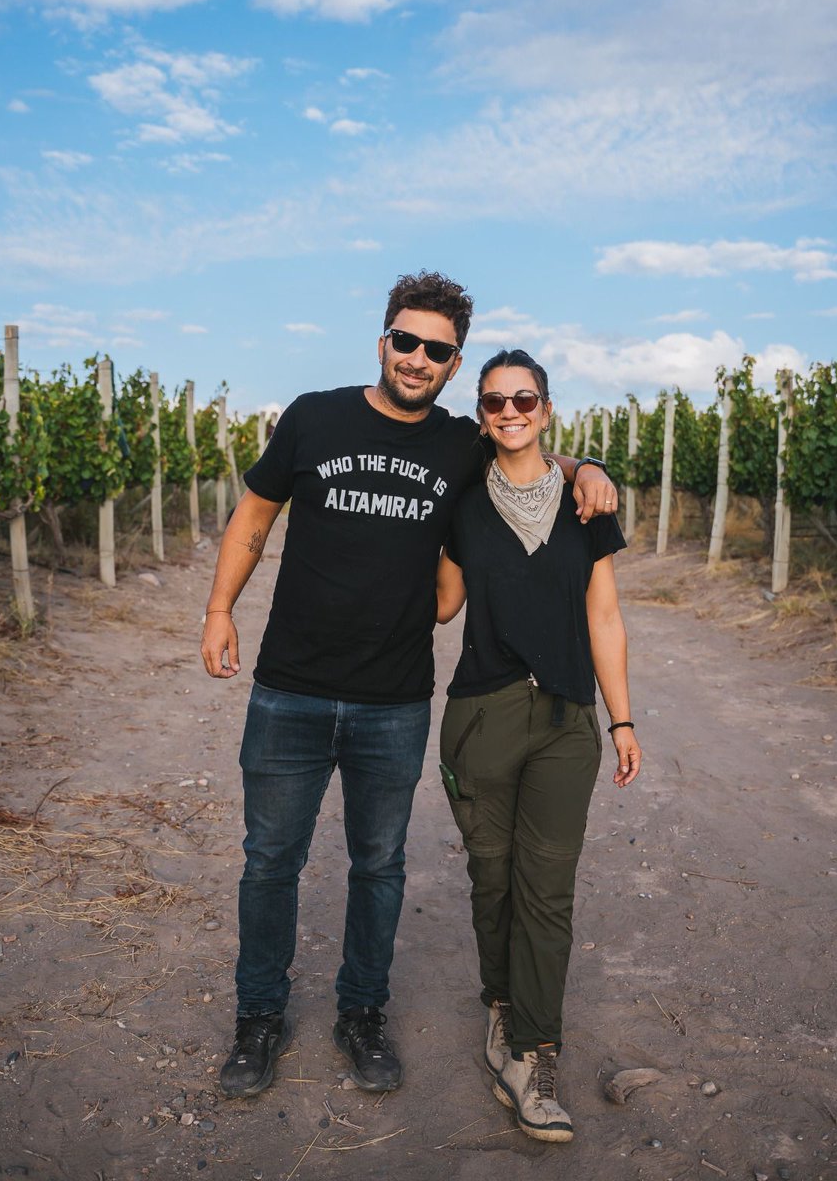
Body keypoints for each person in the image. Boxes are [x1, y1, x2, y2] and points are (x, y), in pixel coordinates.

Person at [199, 272, 618, 1099]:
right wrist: (219, 611)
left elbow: (525, 444)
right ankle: (258, 1018)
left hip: (394, 697)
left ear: (454, 364)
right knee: (269, 863)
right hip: (289, 686)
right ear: (382, 341)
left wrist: (587, 465)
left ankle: (362, 1014)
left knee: (378, 867)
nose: (418, 358)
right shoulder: (314, 416)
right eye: (406, 341)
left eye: (437, 349)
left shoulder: (461, 443)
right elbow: (253, 518)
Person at [436, 348, 642, 1143]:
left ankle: (534, 1051)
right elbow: (443, 606)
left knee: (547, 889)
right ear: (482, 413)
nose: (509, 412)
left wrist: (621, 720)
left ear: (546, 410)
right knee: (494, 880)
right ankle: (501, 1007)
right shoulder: (460, 501)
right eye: (494, 402)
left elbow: (605, 618)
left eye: (525, 399)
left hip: (564, 722)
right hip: (482, 719)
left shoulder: (588, 506)